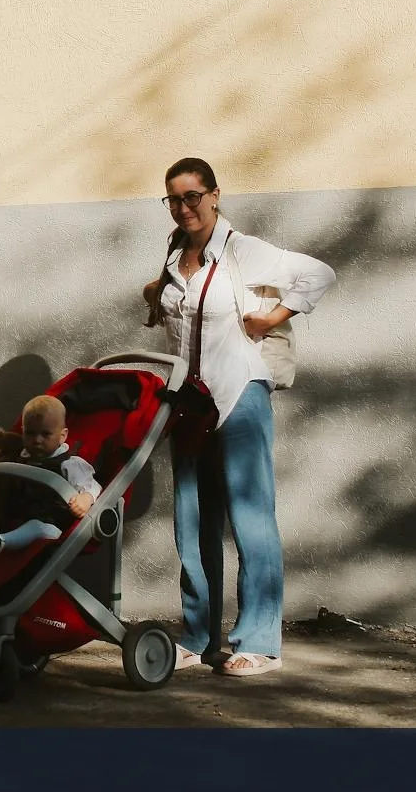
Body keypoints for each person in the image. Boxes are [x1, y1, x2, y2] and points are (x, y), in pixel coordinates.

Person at [142, 157, 335, 678]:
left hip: (238, 394)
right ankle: (198, 636)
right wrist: (156, 292)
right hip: (187, 400)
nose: (184, 207)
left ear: (214, 195)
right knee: (191, 521)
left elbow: (318, 273)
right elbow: (176, 305)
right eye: (174, 199)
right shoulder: (176, 255)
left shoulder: (242, 250)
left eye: (192, 196)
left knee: (250, 518)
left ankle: (260, 643)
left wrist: (272, 318)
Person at [0, 395, 99, 572]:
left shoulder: (70, 464)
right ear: (23, 432)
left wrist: (86, 498)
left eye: (45, 434)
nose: (37, 440)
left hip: (50, 525)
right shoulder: (19, 456)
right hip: (13, 517)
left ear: (62, 436)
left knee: (37, 527)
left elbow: (92, 485)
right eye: (30, 433)